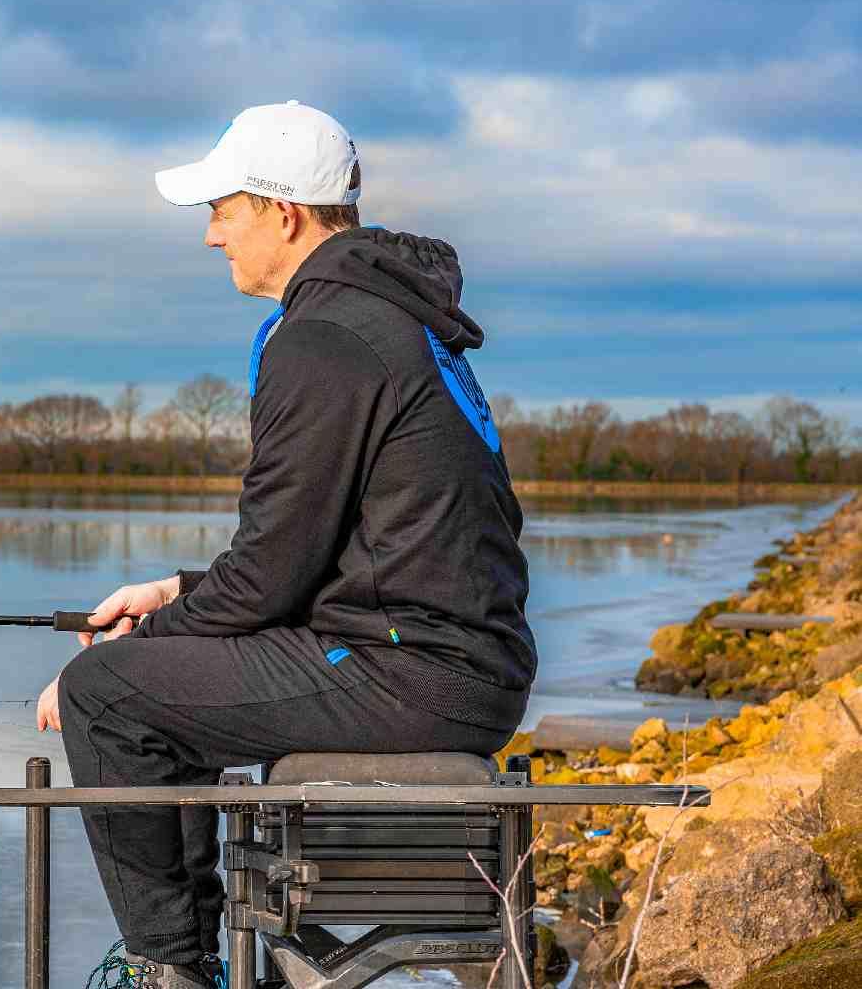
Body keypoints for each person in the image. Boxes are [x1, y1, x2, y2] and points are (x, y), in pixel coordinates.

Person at [36, 101, 536, 989]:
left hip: (411, 672)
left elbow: (272, 574)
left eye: (221, 211)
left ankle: (171, 971)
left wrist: (133, 651)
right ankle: (194, 957)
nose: (211, 236)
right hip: (443, 658)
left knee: (105, 697)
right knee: (139, 682)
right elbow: (330, 549)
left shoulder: (327, 336)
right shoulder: (387, 318)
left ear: (283, 212)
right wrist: (175, 594)